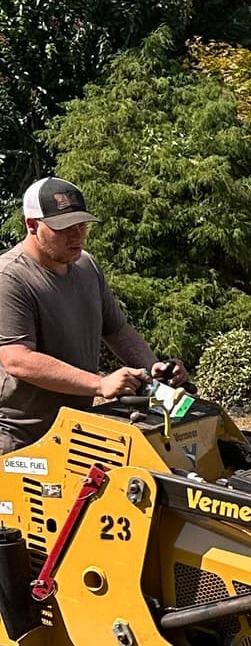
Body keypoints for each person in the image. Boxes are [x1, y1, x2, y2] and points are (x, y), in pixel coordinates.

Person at [0, 178, 183, 454]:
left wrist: (153, 369)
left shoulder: (86, 265)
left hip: (75, 431)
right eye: (63, 228)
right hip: (20, 436)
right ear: (32, 225)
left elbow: (116, 330)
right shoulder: (10, 278)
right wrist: (100, 383)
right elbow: (17, 359)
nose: (76, 236)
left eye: (81, 225)